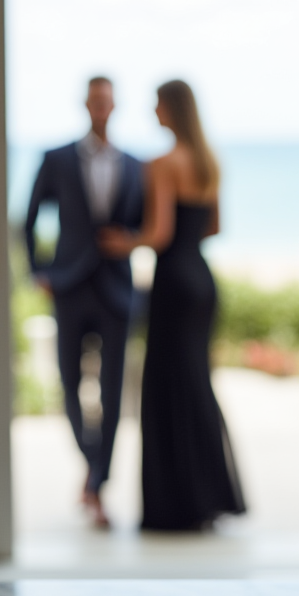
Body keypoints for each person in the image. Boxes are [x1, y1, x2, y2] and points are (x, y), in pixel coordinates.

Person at [99, 80, 246, 530]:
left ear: (171, 109)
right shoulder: (209, 161)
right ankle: (208, 497)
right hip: (201, 278)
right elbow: (213, 227)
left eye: (157, 104)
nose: (153, 112)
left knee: (166, 388)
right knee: (198, 383)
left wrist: (122, 242)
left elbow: (157, 234)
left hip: (172, 282)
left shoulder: (162, 164)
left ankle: (175, 506)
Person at [24, 76, 144, 527]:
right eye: (94, 100)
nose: (100, 107)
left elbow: (145, 223)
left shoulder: (136, 164)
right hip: (70, 286)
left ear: (115, 106)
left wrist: (129, 241)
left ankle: (95, 484)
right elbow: (30, 217)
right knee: (69, 384)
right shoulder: (55, 159)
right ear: (85, 105)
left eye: (107, 100)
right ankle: (95, 468)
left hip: (115, 289)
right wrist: (38, 271)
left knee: (114, 392)